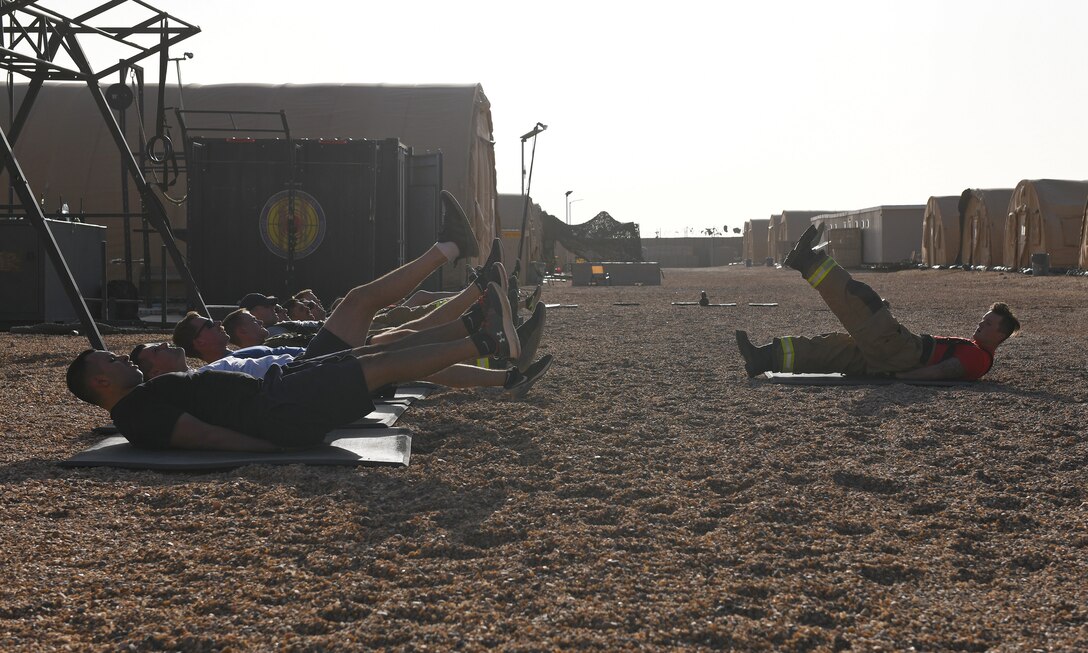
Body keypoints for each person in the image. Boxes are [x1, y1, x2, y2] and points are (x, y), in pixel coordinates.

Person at [65, 191, 532, 451]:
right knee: (381, 354)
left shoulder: (142, 402)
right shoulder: (137, 412)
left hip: (280, 388)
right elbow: (202, 435)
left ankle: (480, 324)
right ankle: (485, 337)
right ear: (101, 381)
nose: (120, 357)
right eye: (110, 357)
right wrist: (273, 448)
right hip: (278, 409)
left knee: (379, 349)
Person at [735, 224, 1020, 380]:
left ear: (1001, 335)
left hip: (905, 353)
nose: (982, 323)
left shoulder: (978, 358)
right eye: (984, 319)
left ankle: (807, 262)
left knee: (866, 303)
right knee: (830, 349)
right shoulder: (975, 351)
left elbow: (945, 371)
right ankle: (762, 359)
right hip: (897, 356)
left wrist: (902, 376)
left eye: (989, 323)